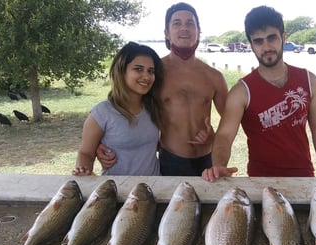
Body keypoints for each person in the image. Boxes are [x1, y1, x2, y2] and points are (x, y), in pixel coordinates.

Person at [202, 6, 316, 182]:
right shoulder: (241, 91)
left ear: (283, 37)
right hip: (260, 181)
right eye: (258, 41)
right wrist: (219, 164)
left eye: (272, 38)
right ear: (251, 45)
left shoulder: (309, 81)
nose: (266, 47)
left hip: (303, 177)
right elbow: (225, 135)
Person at [96, 2, 228, 176]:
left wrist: (214, 137)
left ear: (198, 31)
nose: (184, 28)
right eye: (177, 23)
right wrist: (98, 142)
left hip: (208, 159)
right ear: (166, 32)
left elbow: (230, 121)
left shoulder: (214, 77)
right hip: (170, 160)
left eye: (190, 23)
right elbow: (121, 105)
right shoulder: (153, 72)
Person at [72, 42, 163, 176]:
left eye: (151, 71)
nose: (147, 76)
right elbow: (85, 153)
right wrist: (84, 170)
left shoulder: (154, 107)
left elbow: (154, 145)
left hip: (152, 191)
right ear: (121, 71)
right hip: (116, 192)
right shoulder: (102, 112)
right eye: (138, 69)